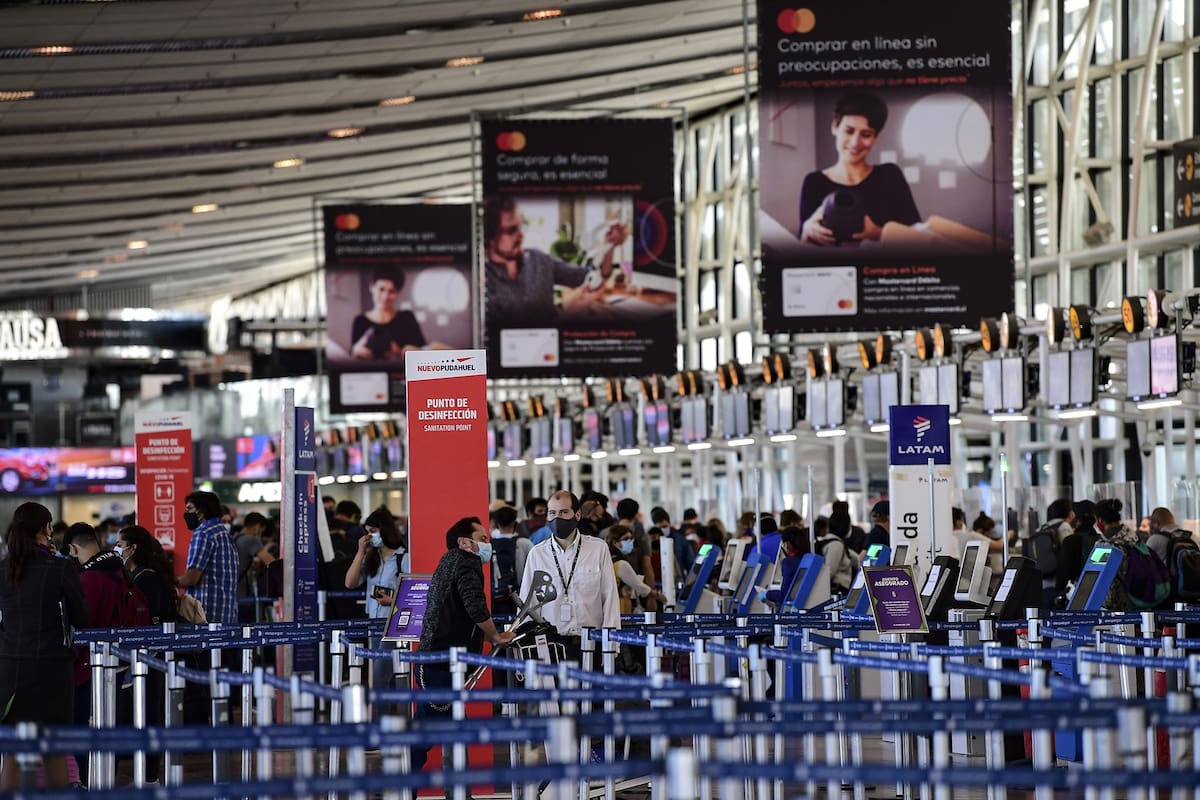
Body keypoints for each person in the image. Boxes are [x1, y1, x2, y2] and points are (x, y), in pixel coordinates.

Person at [413, 517, 513, 771]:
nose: (487, 544)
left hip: (434, 659)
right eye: (482, 539)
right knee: (429, 733)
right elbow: (475, 606)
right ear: (464, 542)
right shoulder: (467, 561)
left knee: (446, 727)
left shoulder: (448, 561)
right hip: (442, 662)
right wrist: (495, 636)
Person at [0, 502, 88, 790]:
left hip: (12, 670)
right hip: (52, 671)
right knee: (54, 751)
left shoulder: (5, 569)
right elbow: (82, 617)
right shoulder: (60, 567)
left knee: (14, 751)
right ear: (46, 529)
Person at [798, 92, 919, 246]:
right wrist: (806, 233)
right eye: (849, 131)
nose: (855, 142)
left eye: (866, 135)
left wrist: (878, 233)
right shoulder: (814, 182)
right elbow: (802, 251)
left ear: (875, 137)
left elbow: (917, 237)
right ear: (835, 127)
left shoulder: (890, 175)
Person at [483, 196, 629, 319]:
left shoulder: (539, 259)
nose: (521, 235)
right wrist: (566, 314)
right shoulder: (481, 283)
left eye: (521, 227)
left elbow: (592, 274)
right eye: (511, 230)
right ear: (491, 237)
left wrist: (609, 246)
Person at [520, 490, 621, 663]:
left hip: (591, 642)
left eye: (564, 512)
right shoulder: (537, 554)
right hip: (551, 646)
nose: (557, 518)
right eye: (552, 513)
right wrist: (528, 648)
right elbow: (528, 604)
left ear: (578, 514)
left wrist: (610, 646)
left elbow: (610, 597)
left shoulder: (598, 549)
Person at [346, 507, 409, 694]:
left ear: (385, 530)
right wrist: (360, 553)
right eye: (367, 532)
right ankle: (386, 718)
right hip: (374, 623)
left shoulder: (403, 558)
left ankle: (384, 718)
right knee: (384, 678)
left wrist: (393, 600)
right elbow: (350, 582)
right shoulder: (372, 559)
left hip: (395, 624)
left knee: (381, 676)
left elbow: (415, 594)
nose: (369, 536)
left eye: (373, 531)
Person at [349, 269, 447, 360]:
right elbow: (352, 360)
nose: (385, 296)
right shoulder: (360, 321)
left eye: (392, 291)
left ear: (398, 293)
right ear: (372, 287)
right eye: (381, 289)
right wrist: (356, 353)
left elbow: (423, 353)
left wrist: (400, 353)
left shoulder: (407, 318)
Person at [178, 491, 239, 625]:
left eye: (189, 508)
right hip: (226, 613)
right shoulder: (223, 532)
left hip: (206, 614)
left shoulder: (203, 533)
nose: (186, 513)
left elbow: (192, 578)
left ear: (201, 511)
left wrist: (167, 582)